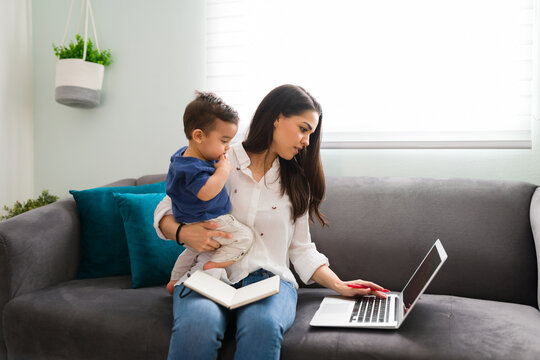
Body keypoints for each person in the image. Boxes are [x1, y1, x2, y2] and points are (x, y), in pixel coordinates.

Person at [154, 84, 387, 360]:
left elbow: (301, 249)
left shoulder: (296, 183)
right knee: (197, 326)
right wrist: (182, 233)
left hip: (270, 281)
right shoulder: (221, 160)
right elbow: (168, 207)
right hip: (209, 276)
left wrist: (339, 285)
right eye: (303, 129)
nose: (306, 141)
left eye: (310, 133)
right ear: (277, 117)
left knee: (261, 326)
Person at [165, 91, 254, 295]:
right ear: (198, 136)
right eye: (223, 141)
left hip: (189, 220)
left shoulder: (181, 157)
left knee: (191, 250)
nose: (227, 148)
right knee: (244, 237)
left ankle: (175, 278)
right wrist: (223, 170)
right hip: (210, 218)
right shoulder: (193, 169)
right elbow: (206, 193)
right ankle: (211, 268)